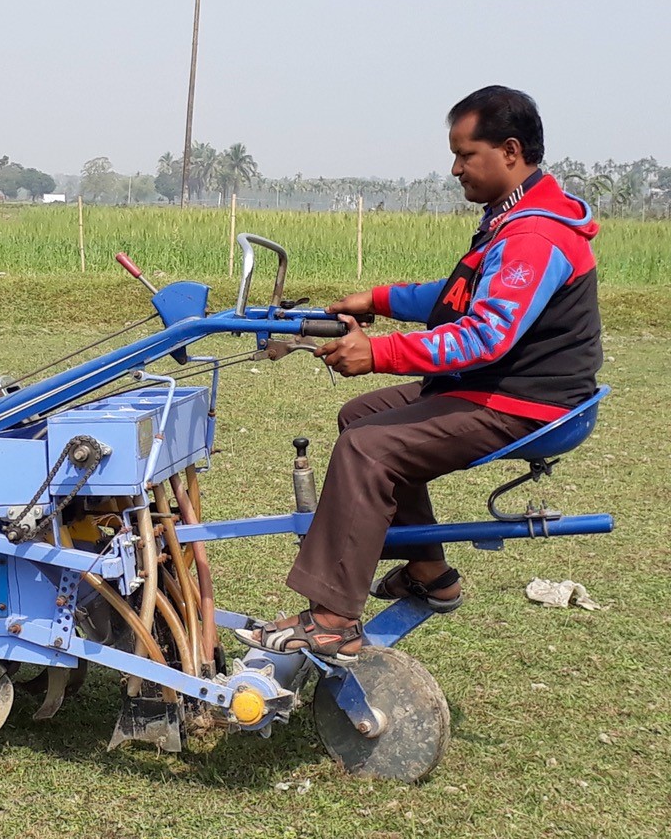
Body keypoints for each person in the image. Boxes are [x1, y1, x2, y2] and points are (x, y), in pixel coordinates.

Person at [241, 85, 602, 662]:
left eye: (466, 154)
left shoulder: (535, 234)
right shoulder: (514, 217)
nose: (456, 168)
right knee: (361, 414)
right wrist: (379, 299)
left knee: (369, 447)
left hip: (526, 401)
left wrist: (378, 353)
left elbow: (486, 334)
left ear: (510, 151)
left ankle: (333, 619)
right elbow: (457, 295)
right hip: (504, 386)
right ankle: (430, 572)